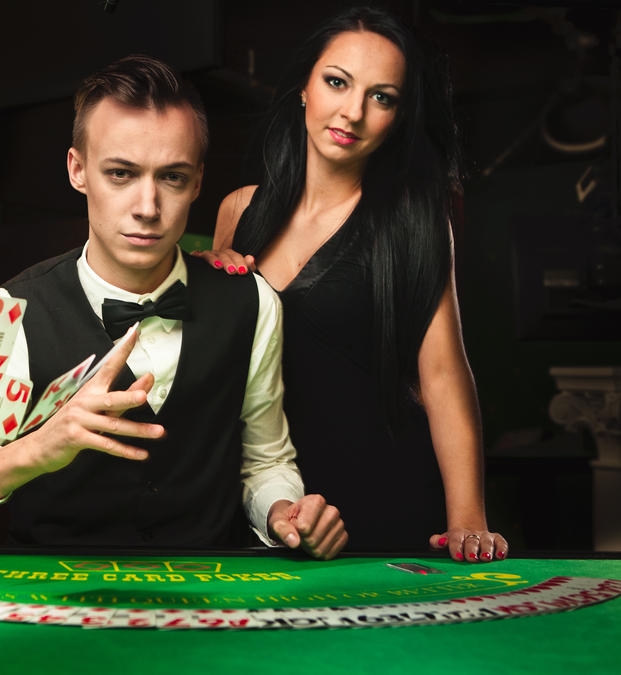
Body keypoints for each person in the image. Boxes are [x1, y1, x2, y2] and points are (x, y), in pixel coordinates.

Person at [0, 54, 347, 558]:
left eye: (172, 177)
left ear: (198, 181)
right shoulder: (9, 319)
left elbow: (265, 462)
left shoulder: (250, 301)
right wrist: (33, 451)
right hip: (50, 596)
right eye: (120, 174)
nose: (147, 207)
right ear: (78, 170)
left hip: (209, 594)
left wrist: (281, 511)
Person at [192, 7, 507, 562]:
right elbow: (217, 367)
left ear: (398, 117)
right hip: (268, 504)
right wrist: (209, 287)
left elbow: (441, 374)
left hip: (383, 497)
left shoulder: (413, 220)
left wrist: (467, 519)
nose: (353, 112)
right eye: (337, 82)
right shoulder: (238, 212)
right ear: (304, 87)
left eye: (381, 97)